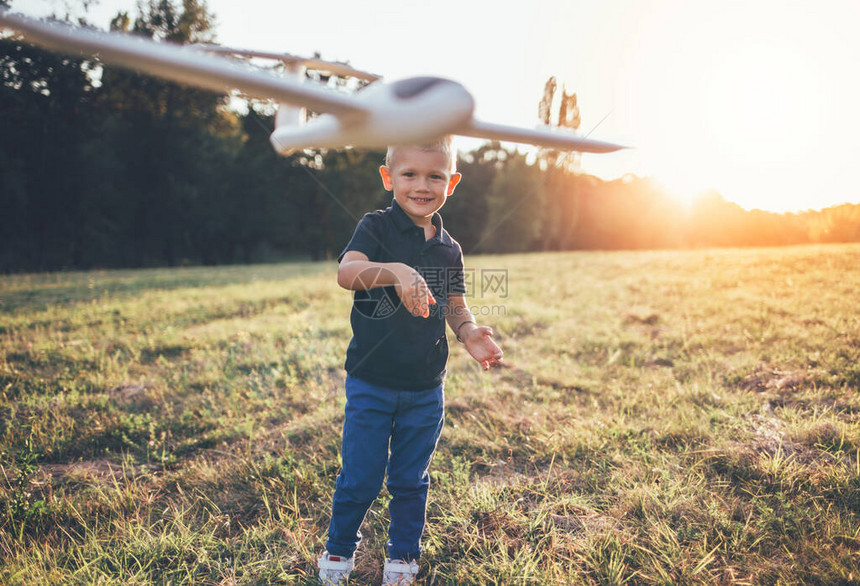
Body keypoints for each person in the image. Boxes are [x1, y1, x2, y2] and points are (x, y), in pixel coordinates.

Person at [318, 137, 504, 585]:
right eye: (409, 174)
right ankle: (339, 551)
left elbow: (454, 304)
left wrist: (469, 333)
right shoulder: (376, 228)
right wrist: (397, 271)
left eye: (435, 176)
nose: (422, 185)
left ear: (452, 182)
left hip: (425, 386)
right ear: (388, 178)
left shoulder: (449, 248)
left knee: (409, 478)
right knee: (360, 476)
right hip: (371, 381)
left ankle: (402, 556)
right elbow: (347, 272)